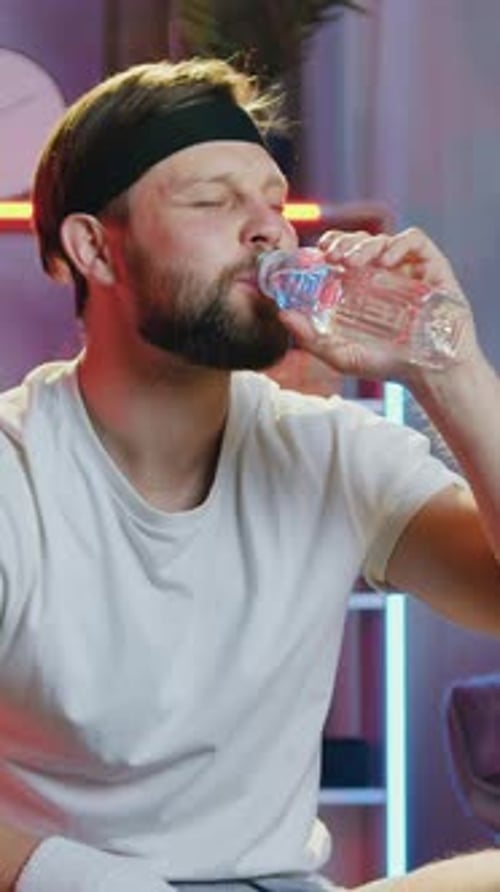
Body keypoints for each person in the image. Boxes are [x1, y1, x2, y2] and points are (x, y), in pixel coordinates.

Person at [0, 56, 498, 892]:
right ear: (95, 249)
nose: (270, 230)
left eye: (272, 201)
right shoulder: (17, 475)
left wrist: (450, 370)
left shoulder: (331, 450)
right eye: (212, 201)